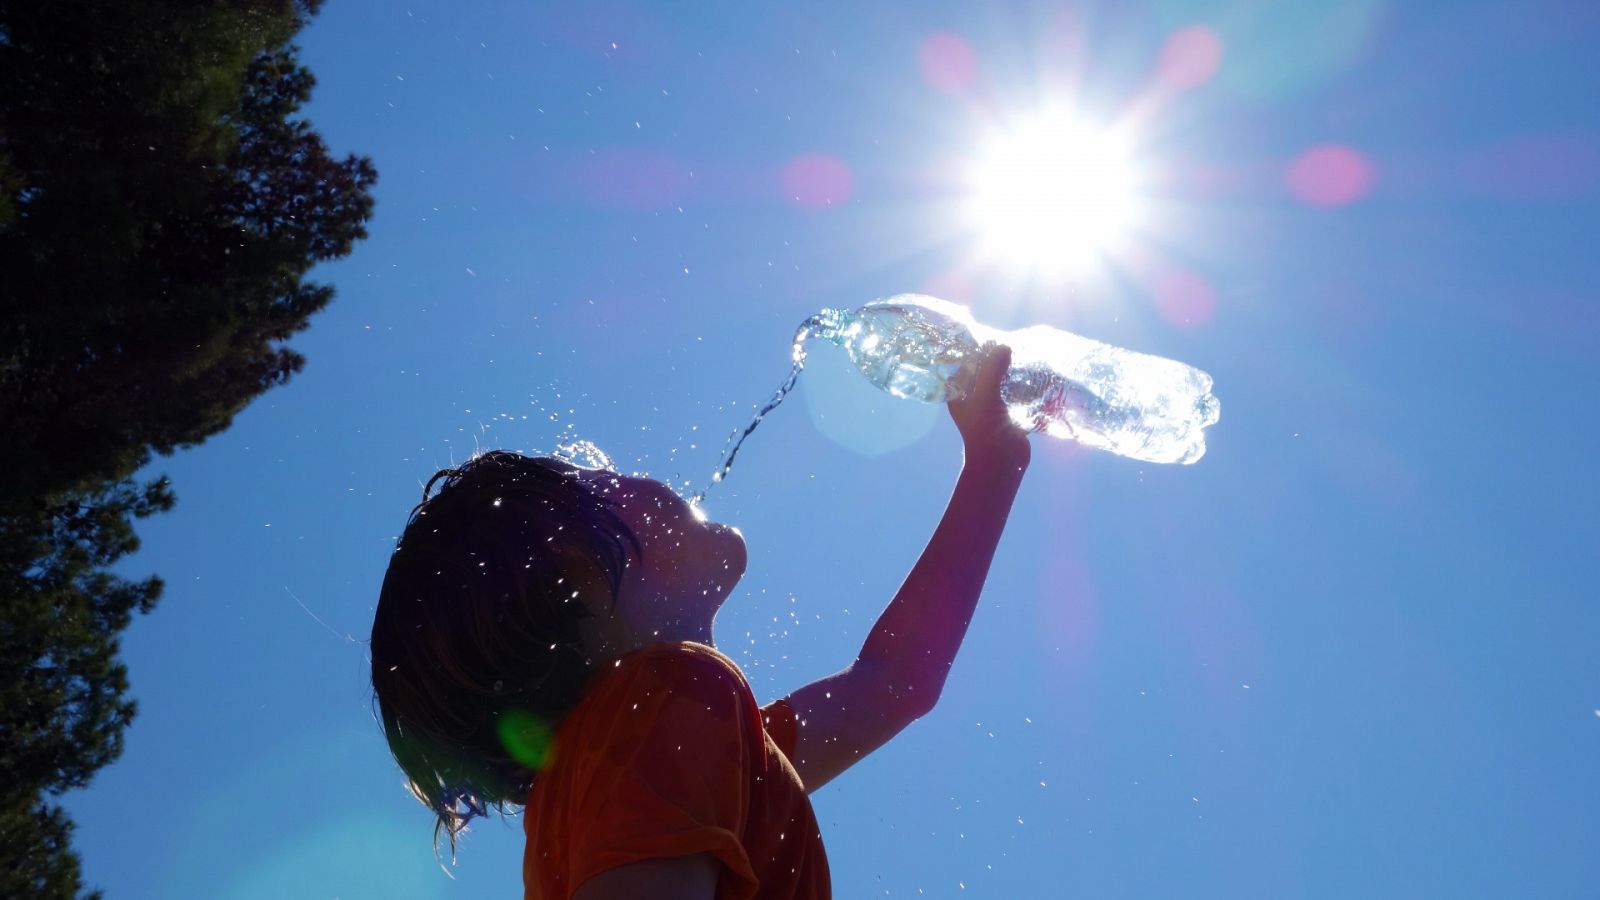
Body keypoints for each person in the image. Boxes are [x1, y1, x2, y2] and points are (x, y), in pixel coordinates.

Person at [370, 345, 1030, 898]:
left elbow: (896, 681)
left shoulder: (674, 746)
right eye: (602, 479)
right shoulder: (660, 700)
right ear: (577, 574)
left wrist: (994, 465)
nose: (634, 473)